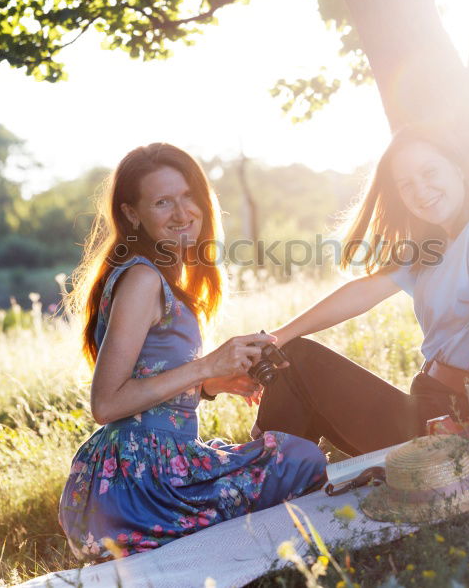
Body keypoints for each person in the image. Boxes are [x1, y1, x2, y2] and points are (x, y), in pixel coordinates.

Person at [59, 143, 326, 561]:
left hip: (145, 471)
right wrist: (206, 365)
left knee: (288, 458)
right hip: (141, 480)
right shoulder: (144, 279)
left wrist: (208, 384)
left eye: (188, 197)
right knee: (300, 459)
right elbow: (107, 403)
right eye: (163, 202)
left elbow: (146, 380)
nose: (183, 213)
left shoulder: (157, 274)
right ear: (132, 214)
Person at [254, 121, 469, 456]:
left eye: (430, 172)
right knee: (289, 362)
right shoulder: (433, 246)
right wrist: (277, 337)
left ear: (458, 167)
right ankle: (269, 471)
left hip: (458, 414)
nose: (421, 191)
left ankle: (257, 473)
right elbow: (361, 294)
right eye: (406, 185)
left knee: (296, 363)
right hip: (426, 400)